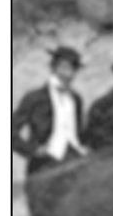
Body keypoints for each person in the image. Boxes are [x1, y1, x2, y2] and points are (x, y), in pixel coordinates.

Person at [13, 46, 87, 174]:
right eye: (64, 67)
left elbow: (78, 132)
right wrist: (32, 150)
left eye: (73, 69)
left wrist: (83, 147)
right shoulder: (34, 98)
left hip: (75, 163)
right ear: (53, 67)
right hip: (44, 165)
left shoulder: (76, 99)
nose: (68, 74)